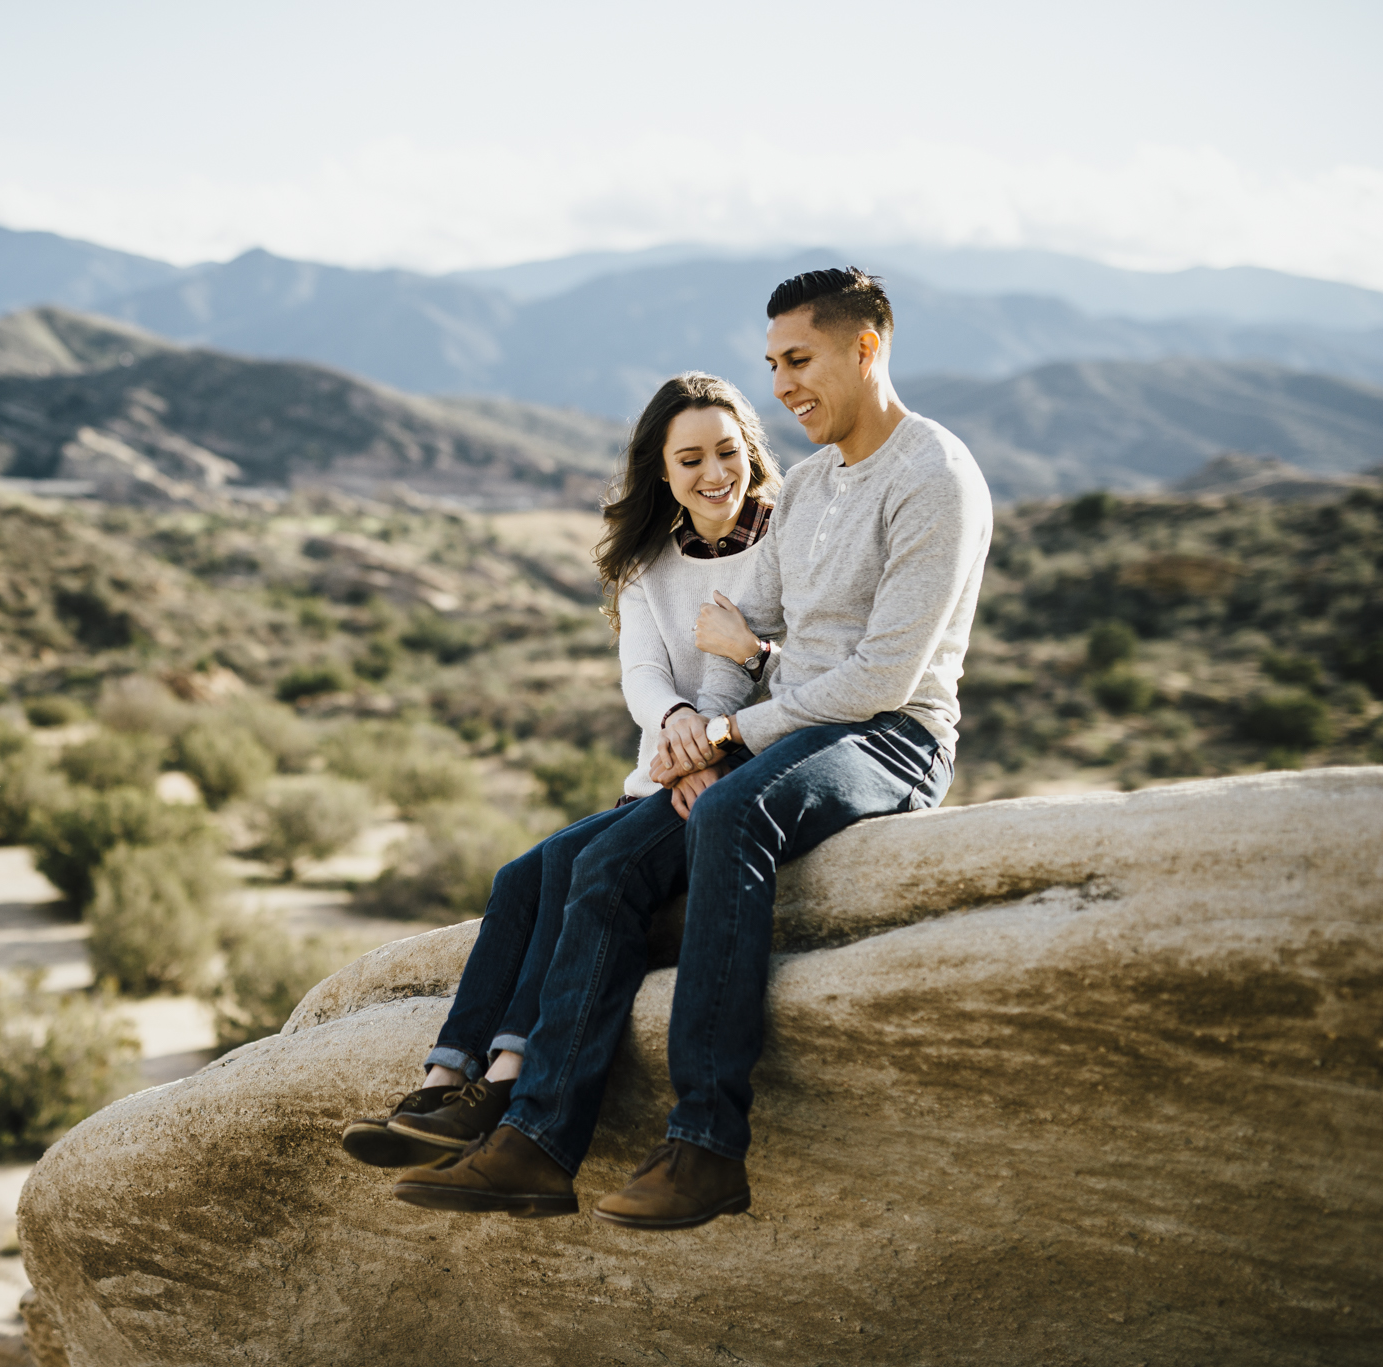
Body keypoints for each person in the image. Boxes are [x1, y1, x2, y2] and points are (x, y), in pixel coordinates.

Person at [392, 267, 993, 1226]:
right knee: (603, 862)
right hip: (782, 730)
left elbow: (882, 679)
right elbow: (731, 626)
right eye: (774, 363)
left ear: (866, 346)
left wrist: (725, 738)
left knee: (732, 815)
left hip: (891, 738)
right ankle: (536, 1142)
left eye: (799, 360)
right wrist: (701, 738)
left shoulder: (934, 475)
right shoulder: (803, 488)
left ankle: (707, 1141)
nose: (784, 384)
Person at [339, 371, 784, 1171]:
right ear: (662, 472)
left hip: (736, 765)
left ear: (751, 451)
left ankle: (508, 1078)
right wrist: (678, 728)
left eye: (727, 451)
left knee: (582, 866)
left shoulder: (783, 543)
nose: (714, 473)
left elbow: (761, 674)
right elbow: (643, 676)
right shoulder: (648, 564)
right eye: (691, 459)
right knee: (521, 875)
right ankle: (447, 1077)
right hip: (669, 759)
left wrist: (704, 748)